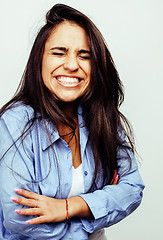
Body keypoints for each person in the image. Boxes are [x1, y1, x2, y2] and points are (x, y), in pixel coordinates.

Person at [0, 4, 144, 240]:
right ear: (40, 60)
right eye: (59, 52)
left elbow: (133, 189)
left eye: (84, 55)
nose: (71, 65)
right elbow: (20, 218)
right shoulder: (15, 123)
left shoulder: (103, 118)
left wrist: (69, 207)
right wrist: (93, 216)